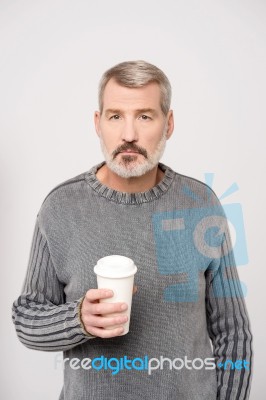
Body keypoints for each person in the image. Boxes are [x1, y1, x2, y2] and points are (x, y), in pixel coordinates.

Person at [12, 60, 253, 399]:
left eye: (144, 116)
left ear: (168, 124)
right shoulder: (61, 207)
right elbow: (27, 320)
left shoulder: (200, 203)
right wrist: (78, 319)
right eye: (115, 117)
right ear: (98, 124)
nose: (128, 135)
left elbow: (233, 333)